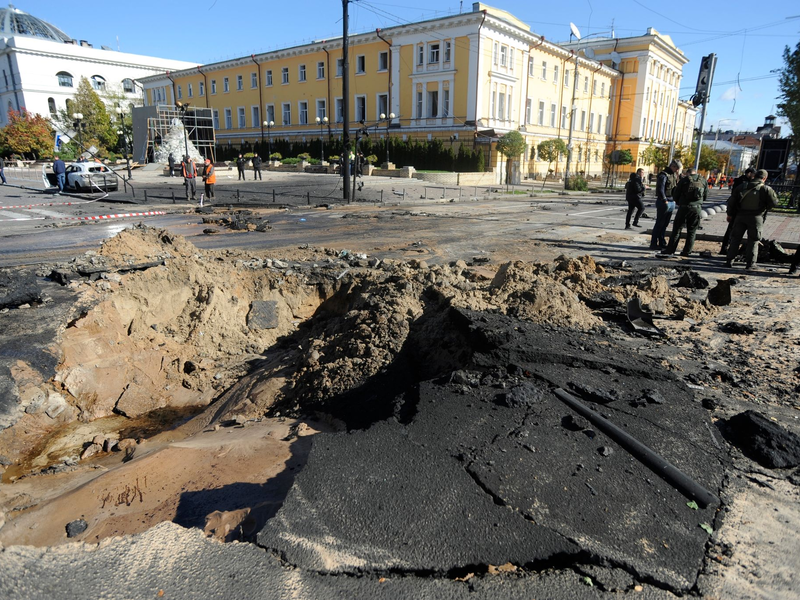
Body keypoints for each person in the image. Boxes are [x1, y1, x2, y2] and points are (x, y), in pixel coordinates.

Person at [725, 169, 778, 270]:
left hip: (740, 216)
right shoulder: (766, 189)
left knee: (735, 239)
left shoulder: (742, 186)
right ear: (764, 178)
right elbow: (774, 203)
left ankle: (729, 260)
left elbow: (731, 202)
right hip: (756, 217)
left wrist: (730, 214)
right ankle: (750, 264)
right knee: (753, 240)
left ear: (754, 176)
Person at [661, 166, 708, 256]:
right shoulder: (703, 180)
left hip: (684, 208)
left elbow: (676, 194)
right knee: (692, 231)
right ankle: (687, 251)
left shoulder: (684, 180)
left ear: (688, 173)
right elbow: (705, 196)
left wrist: (679, 202)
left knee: (677, 229)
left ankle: (671, 249)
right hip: (696, 209)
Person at [720, 168, 756, 254]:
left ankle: (726, 248)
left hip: (738, 209)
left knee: (732, 230)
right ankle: (726, 248)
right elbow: (735, 196)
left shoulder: (742, 181)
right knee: (732, 230)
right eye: (753, 174)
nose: (754, 176)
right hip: (738, 210)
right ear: (749, 173)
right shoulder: (742, 182)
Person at [650, 159, 681, 250]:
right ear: (673, 166)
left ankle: (662, 242)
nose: (678, 170)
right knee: (659, 223)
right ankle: (654, 243)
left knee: (665, 224)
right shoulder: (663, 175)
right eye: (677, 168)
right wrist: (664, 200)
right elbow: (661, 188)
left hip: (671, 201)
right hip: (664, 201)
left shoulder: (674, 174)